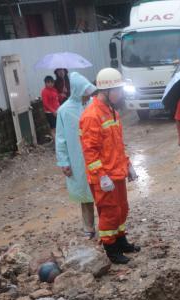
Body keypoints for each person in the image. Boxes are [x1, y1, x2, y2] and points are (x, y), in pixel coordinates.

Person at [80, 68, 140, 264]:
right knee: (109, 212)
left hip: (117, 172)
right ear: (106, 91)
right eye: (118, 90)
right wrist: (101, 175)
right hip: (104, 177)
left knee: (122, 208)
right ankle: (111, 249)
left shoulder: (111, 111)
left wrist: (128, 164)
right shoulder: (92, 115)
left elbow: (117, 144)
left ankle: (121, 241)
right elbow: (90, 151)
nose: (121, 93)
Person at [55, 72, 97, 239]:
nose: (88, 97)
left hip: (95, 157)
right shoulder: (64, 111)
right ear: (78, 91)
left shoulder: (93, 105)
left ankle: (107, 226)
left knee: (102, 192)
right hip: (77, 159)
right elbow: (60, 139)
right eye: (85, 93)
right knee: (84, 194)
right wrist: (64, 162)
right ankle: (89, 227)